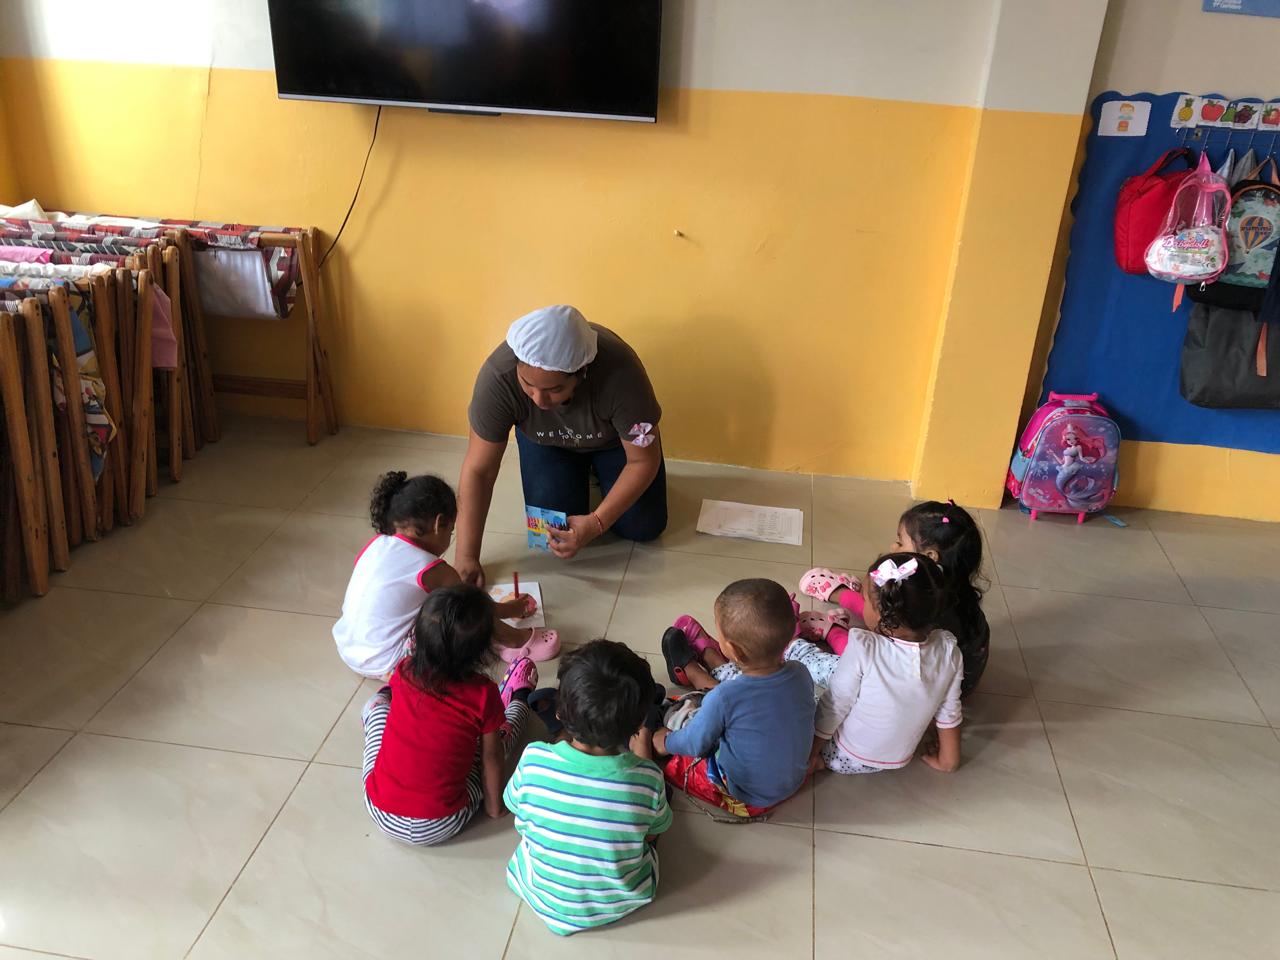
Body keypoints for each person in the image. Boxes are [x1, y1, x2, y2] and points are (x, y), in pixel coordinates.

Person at [455, 305, 667, 586]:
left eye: (554, 389)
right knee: (550, 531)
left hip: (613, 443)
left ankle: (599, 471)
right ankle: (583, 474)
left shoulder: (622, 375)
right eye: (528, 385)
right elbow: (479, 471)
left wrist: (597, 522)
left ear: (581, 373)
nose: (539, 400)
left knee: (644, 527)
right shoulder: (497, 378)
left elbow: (642, 460)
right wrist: (466, 556)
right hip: (546, 441)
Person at [504, 640, 673, 936]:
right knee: (658, 799)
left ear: (560, 710)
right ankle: (646, 733)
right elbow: (651, 833)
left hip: (535, 888)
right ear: (633, 725)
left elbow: (516, 807)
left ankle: (564, 732)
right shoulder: (648, 778)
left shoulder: (533, 759)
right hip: (618, 901)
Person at [361, 586, 538, 845]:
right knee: (500, 737)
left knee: (378, 710)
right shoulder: (483, 693)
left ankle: (378, 702)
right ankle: (520, 697)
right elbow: (491, 757)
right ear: (484, 649)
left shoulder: (404, 669)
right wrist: (494, 808)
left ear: (418, 637)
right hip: (443, 821)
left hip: (381, 811)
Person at [333, 471, 558, 670]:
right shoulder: (432, 568)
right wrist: (512, 608)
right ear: (438, 524)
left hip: (348, 648)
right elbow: (480, 607)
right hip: (389, 660)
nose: (450, 538)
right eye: (450, 532)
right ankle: (512, 640)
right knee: (462, 611)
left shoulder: (376, 545)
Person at [639, 579, 814, 819]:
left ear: (734, 650)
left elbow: (695, 744)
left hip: (746, 796)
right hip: (793, 780)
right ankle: (697, 675)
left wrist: (665, 742)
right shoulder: (800, 672)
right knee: (725, 706)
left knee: (678, 714)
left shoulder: (725, 698)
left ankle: (692, 678)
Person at [798, 500, 989, 696]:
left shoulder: (923, 614)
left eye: (900, 542)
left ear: (930, 556)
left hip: (922, 690)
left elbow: (880, 647)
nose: (893, 545)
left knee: (854, 663)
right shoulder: (943, 589)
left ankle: (830, 633)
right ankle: (849, 596)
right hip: (954, 680)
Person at [811, 553, 964, 775]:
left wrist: (812, 753)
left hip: (840, 755)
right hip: (898, 758)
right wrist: (948, 761)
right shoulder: (949, 651)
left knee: (816, 681)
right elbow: (949, 709)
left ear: (878, 613)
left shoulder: (864, 647)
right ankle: (832, 632)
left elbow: (835, 704)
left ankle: (795, 646)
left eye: (864, 600)